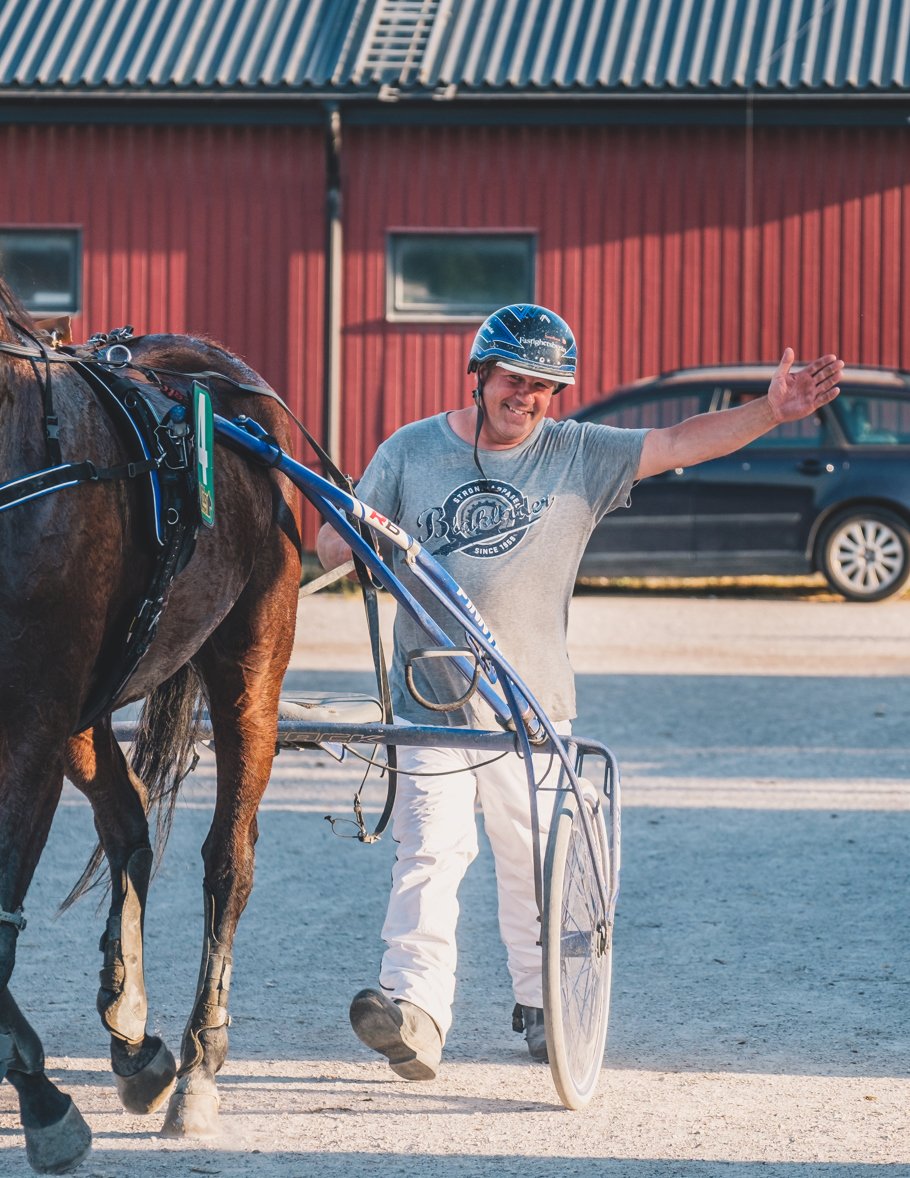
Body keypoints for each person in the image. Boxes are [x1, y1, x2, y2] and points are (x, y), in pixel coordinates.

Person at [316, 303, 842, 1079]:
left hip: (533, 702)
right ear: (481, 373)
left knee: (535, 860)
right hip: (429, 698)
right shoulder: (410, 449)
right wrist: (348, 537)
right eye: (514, 380)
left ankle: (543, 1005)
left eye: (543, 386)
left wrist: (771, 410)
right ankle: (416, 1012)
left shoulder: (577, 454)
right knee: (429, 850)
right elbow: (333, 543)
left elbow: (675, 442)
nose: (525, 397)